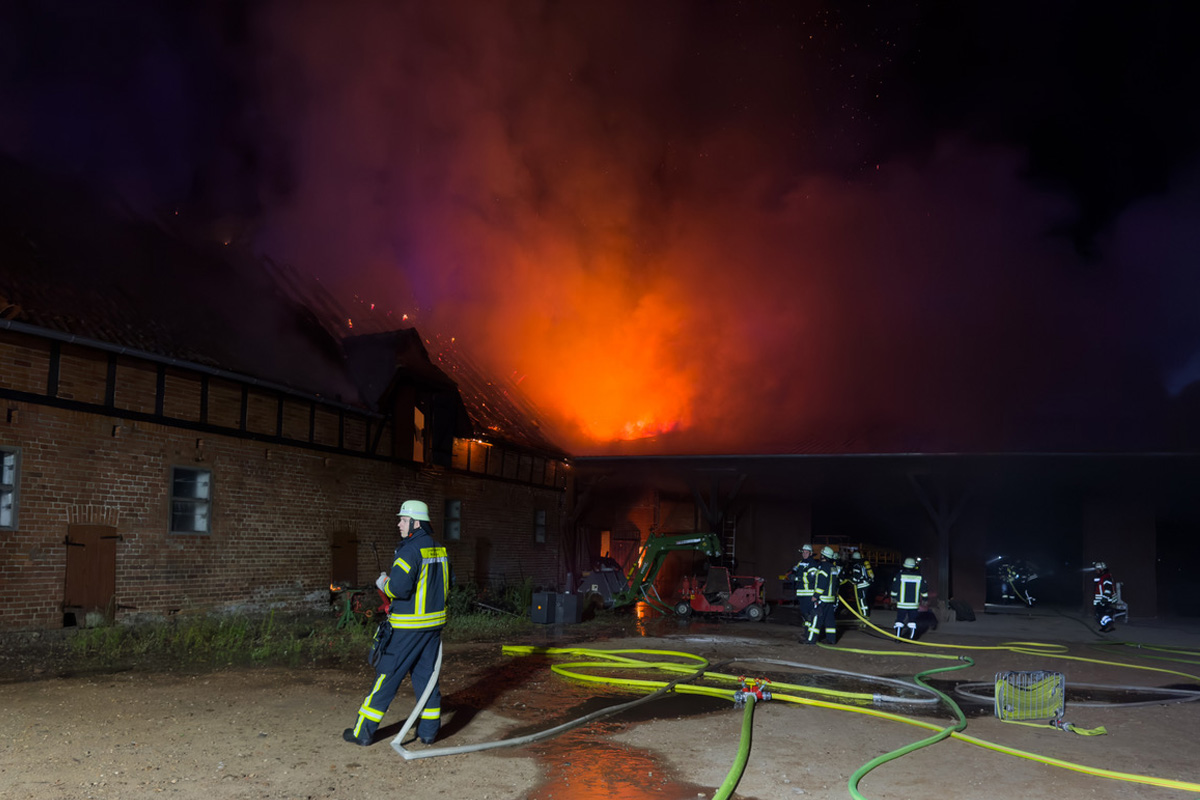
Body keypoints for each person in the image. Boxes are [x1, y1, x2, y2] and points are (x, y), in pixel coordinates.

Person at [344, 499, 453, 746]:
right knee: (427, 679)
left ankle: (363, 732)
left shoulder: (409, 550)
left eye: (403, 520)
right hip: (433, 628)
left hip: (407, 628)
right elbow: (448, 583)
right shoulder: (440, 550)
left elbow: (399, 589)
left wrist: (384, 583)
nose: (399, 524)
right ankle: (428, 732)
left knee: (387, 675)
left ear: (416, 523)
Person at [806, 546, 841, 645]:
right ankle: (831, 639)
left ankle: (811, 640)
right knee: (830, 620)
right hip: (831, 598)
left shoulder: (823, 567)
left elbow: (822, 583)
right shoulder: (833, 567)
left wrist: (816, 595)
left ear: (823, 556)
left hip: (823, 598)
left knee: (816, 618)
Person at [890, 557, 928, 639]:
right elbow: (924, 589)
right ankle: (911, 638)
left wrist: (893, 597)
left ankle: (898, 637)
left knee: (900, 620)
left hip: (901, 604)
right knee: (913, 621)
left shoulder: (899, 575)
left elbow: (895, 587)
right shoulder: (919, 576)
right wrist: (925, 599)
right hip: (913, 604)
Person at [787, 544, 816, 634]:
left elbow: (811, 578)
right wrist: (791, 573)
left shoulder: (813, 564)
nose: (804, 554)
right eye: (803, 552)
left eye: (806, 552)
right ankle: (807, 633)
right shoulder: (800, 562)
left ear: (811, 553)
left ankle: (811, 634)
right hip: (801, 593)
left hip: (809, 594)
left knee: (809, 615)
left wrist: (796, 578)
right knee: (804, 615)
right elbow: (794, 570)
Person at [846, 550, 875, 620]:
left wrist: (851, 580)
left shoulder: (856, 565)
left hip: (861, 585)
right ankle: (862, 613)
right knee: (862, 599)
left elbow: (857, 576)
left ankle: (864, 615)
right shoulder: (862, 564)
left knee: (861, 599)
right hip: (866, 583)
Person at [1092, 561, 1116, 633]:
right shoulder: (1102, 577)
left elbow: (1108, 589)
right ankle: (1105, 626)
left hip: (1105, 601)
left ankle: (1109, 624)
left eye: (1097, 569)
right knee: (1100, 615)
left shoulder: (1106, 578)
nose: (1096, 571)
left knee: (1101, 615)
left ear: (1102, 570)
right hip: (1103, 600)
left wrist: (1104, 600)